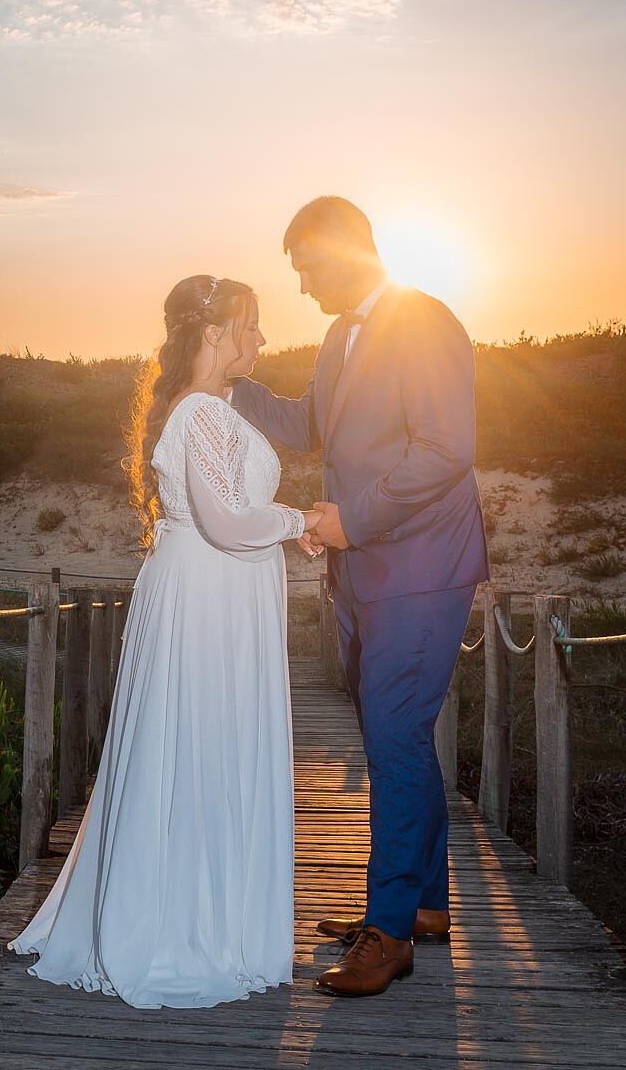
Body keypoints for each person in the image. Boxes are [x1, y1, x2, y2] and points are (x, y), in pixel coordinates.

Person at [6, 275, 318, 1009]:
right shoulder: (199, 413)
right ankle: (187, 924)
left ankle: (212, 913)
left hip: (217, 594)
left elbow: (235, 512)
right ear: (213, 334)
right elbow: (227, 522)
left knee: (203, 741)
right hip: (207, 596)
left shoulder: (213, 409)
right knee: (198, 740)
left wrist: (282, 526)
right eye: (251, 325)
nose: (262, 340)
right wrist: (302, 522)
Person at [229, 195, 490, 998]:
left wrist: (353, 520)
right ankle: (424, 906)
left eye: (308, 267)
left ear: (345, 249)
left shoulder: (425, 319)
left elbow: (448, 446)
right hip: (362, 574)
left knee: (391, 739)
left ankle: (387, 932)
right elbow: (313, 424)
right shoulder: (341, 337)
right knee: (404, 738)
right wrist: (231, 385)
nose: (304, 286)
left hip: (419, 569)